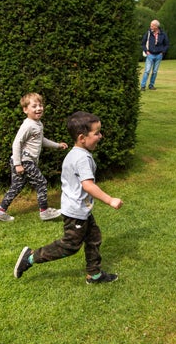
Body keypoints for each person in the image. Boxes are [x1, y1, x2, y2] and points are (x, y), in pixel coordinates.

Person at [13, 111, 123, 284]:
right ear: (82, 137)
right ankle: (30, 258)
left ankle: (94, 275)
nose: (101, 136)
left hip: (81, 209)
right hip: (76, 212)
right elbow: (88, 185)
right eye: (97, 133)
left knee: (94, 238)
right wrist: (110, 200)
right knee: (70, 246)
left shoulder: (76, 153)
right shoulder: (81, 159)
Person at [0, 93, 68, 222]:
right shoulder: (28, 125)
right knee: (41, 182)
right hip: (24, 161)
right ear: (25, 110)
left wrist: (57, 146)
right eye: (34, 106)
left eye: (40, 105)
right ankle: (45, 212)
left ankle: (0, 211)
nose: (39, 108)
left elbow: (41, 140)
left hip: (24, 161)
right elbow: (17, 143)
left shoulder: (37, 124)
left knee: (16, 186)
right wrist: (18, 164)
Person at [140, 19, 170, 91]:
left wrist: (163, 52)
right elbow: (143, 43)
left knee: (155, 71)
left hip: (159, 55)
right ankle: (143, 86)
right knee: (147, 71)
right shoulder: (148, 33)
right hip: (150, 54)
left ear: (156, 27)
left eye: (152, 25)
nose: (150, 27)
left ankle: (151, 85)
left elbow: (167, 44)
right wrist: (146, 51)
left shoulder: (163, 34)